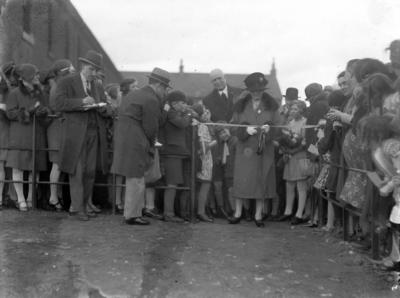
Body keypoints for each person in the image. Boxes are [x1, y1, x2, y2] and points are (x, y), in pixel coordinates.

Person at [55, 50, 113, 221]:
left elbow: (107, 106)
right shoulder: (67, 82)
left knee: (90, 172)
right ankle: (78, 208)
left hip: (94, 132)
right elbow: (58, 104)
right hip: (76, 134)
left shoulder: (97, 85)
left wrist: (103, 107)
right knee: (78, 171)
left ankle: (85, 205)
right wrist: (81, 102)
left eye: (96, 71)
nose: (94, 74)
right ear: (83, 66)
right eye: (91, 70)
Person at [111, 67, 170, 225]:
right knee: (136, 177)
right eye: (164, 89)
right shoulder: (151, 99)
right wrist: (151, 144)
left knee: (132, 177)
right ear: (158, 85)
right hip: (137, 140)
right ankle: (132, 215)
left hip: (124, 138)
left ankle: (131, 212)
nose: (164, 93)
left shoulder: (134, 94)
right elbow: (151, 127)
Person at [228, 72, 282, 227]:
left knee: (261, 180)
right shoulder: (241, 105)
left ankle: (258, 214)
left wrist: (270, 129)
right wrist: (244, 130)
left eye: (260, 90)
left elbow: (279, 126)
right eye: (254, 91)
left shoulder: (272, 106)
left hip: (263, 149)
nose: (257, 94)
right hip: (245, 149)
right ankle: (237, 213)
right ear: (249, 91)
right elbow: (233, 126)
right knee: (241, 181)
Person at [6, 63, 49, 211]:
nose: (38, 77)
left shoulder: (40, 93)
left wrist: (43, 112)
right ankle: (20, 199)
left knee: (34, 168)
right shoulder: (14, 93)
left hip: (36, 134)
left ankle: (31, 199)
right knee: (18, 167)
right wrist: (29, 112)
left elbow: (47, 110)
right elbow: (10, 113)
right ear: (27, 77)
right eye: (35, 74)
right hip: (20, 135)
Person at [202, 68, 241, 218]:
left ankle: (236, 208)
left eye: (219, 78)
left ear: (224, 77)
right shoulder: (208, 100)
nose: (217, 82)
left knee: (233, 175)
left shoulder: (238, 93)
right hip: (218, 141)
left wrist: (231, 129)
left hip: (234, 140)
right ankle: (221, 208)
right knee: (217, 176)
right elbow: (209, 121)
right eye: (214, 80)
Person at [159, 90, 193, 223]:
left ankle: (170, 212)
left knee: (173, 183)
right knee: (172, 183)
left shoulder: (172, 112)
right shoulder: (171, 113)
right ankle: (168, 213)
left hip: (176, 152)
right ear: (174, 103)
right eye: (182, 103)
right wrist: (189, 113)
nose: (185, 105)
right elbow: (183, 124)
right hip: (172, 152)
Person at [47, 59, 75, 211]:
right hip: (57, 129)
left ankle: (56, 195)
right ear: (63, 72)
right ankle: (53, 197)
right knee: (57, 164)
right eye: (70, 70)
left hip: (61, 128)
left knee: (60, 164)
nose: (73, 72)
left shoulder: (60, 86)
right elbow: (57, 107)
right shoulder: (57, 88)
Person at [277, 101, 309, 225]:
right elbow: (284, 139)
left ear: (301, 110)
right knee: (289, 184)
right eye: (291, 109)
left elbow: (305, 142)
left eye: (296, 109)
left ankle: (299, 213)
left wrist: (293, 150)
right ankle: (288, 211)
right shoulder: (289, 123)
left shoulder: (305, 122)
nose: (293, 111)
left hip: (301, 156)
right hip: (290, 157)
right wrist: (285, 149)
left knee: (301, 185)